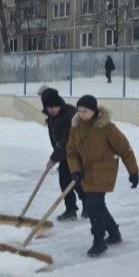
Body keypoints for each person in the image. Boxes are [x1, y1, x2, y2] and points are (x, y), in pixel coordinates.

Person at [66, 95, 139, 257]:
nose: (81, 114)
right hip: (86, 172)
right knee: (98, 205)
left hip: (104, 171)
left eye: (85, 111)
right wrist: (75, 170)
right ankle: (113, 233)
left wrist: (133, 172)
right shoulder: (75, 127)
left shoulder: (106, 127)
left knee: (92, 205)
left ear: (94, 111)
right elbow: (71, 152)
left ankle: (99, 241)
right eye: (79, 110)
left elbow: (124, 148)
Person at [38, 85, 85, 221]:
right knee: (64, 179)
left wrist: (54, 158)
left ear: (59, 104)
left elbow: (66, 141)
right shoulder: (51, 115)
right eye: (48, 107)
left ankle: (87, 204)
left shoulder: (69, 115)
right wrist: (56, 154)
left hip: (77, 152)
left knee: (76, 180)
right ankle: (71, 209)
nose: (51, 110)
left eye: (53, 107)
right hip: (65, 153)